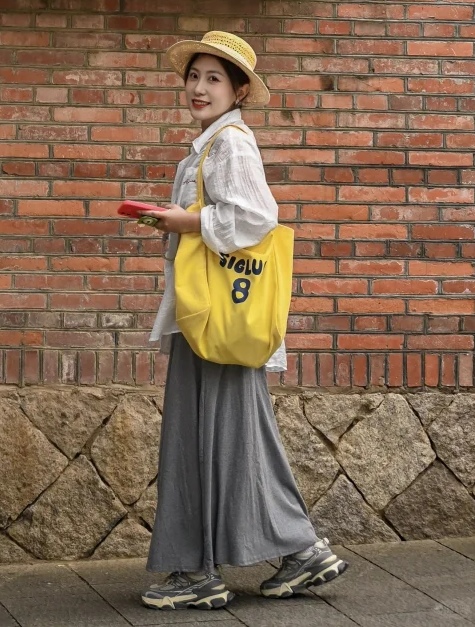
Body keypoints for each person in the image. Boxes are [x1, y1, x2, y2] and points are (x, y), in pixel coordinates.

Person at [134, 30, 348, 612]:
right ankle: (262, 557)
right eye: (194, 76)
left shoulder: (230, 144)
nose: (199, 88)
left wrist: (187, 222)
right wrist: (180, 219)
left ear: (239, 90)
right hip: (206, 315)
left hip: (215, 318)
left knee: (217, 437)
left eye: (214, 79)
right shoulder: (207, 146)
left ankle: (214, 566)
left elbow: (256, 216)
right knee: (222, 437)